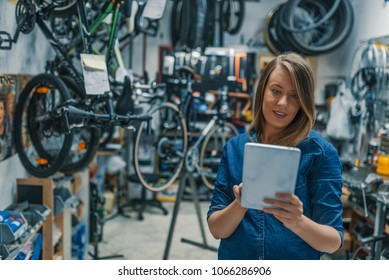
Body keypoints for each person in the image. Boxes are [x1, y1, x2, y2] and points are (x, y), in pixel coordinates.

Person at [207, 52, 344, 260]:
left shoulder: (320, 153)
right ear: (263, 91)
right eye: (276, 91)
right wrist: (241, 203)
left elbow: (333, 241)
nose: (282, 103)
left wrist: (297, 221)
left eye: (294, 96)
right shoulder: (235, 148)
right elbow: (217, 229)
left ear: (303, 102)